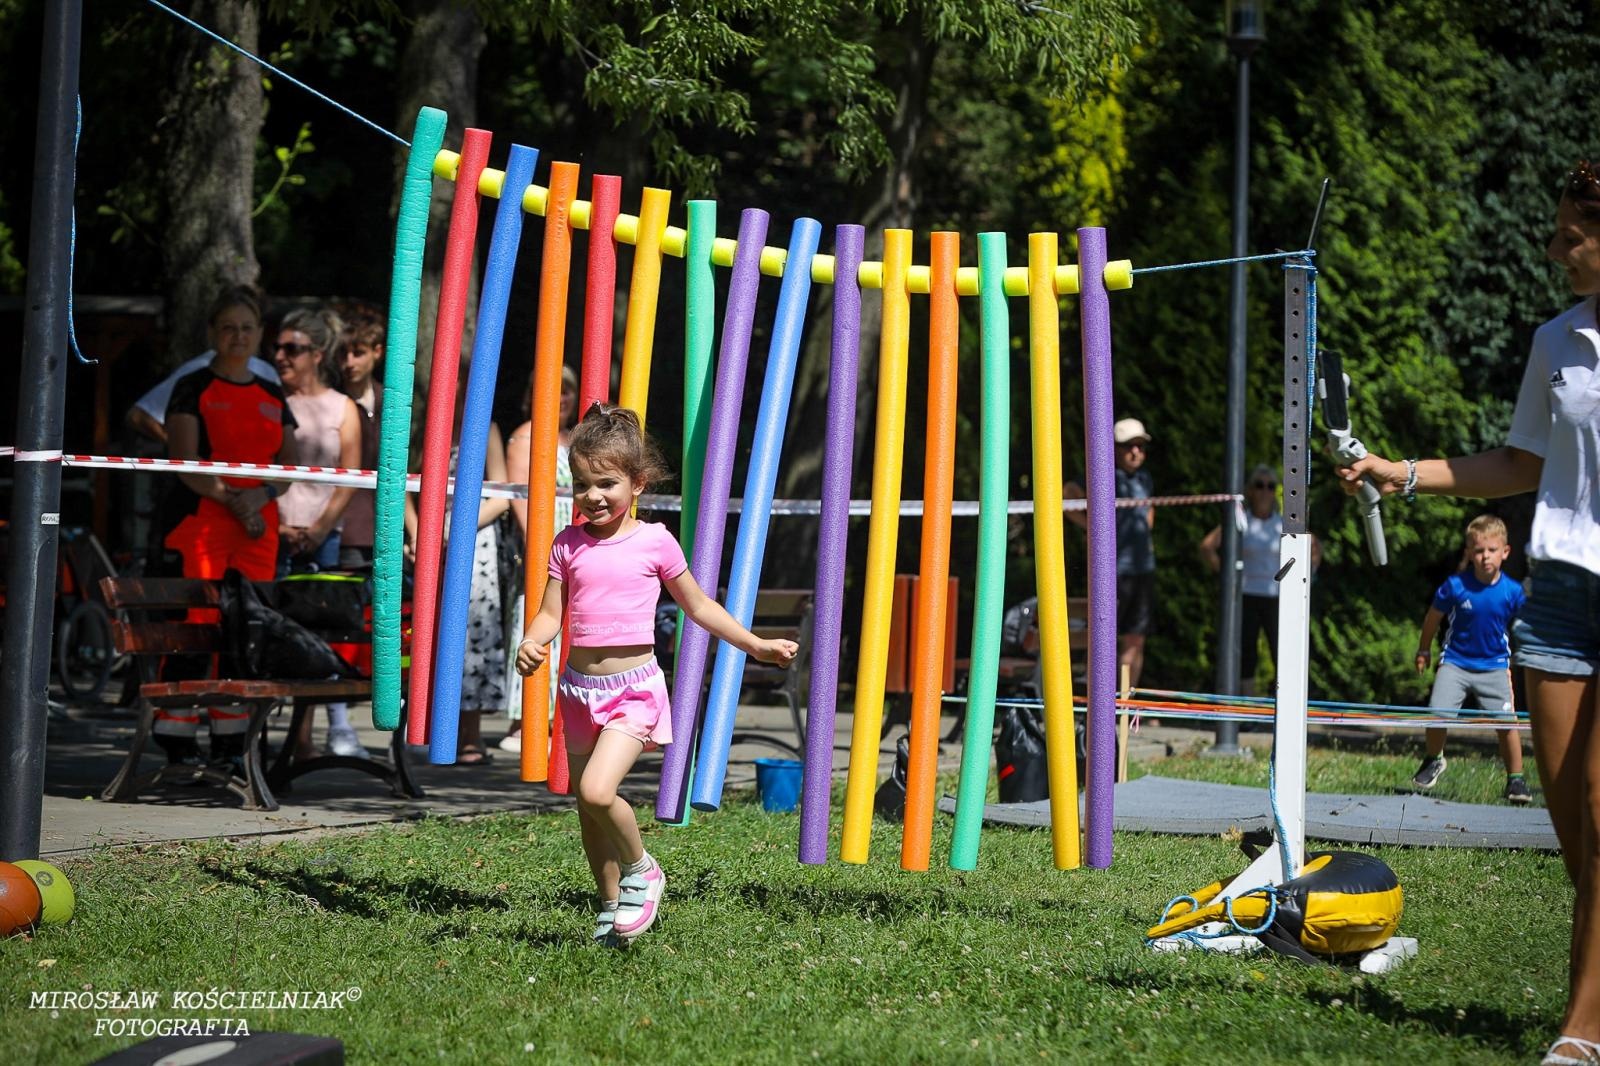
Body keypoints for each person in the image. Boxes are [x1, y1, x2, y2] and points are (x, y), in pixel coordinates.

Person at [1338, 161, 1600, 1066]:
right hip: (1561, 596)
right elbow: (1518, 462)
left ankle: (1582, 1030)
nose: (1555, 247)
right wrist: (1398, 472)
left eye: (1572, 233)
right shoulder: (1557, 339)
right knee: (1571, 823)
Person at [515, 404, 797, 944]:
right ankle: (609, 901)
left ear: (638, 483)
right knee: (586, 808)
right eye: (581, 484)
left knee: (599, 792)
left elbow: (699, 607)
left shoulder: (655, 541)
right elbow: (552, 613)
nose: (593, 496)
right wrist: (532, 642)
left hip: (633, 692)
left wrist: (755, 645)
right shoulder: (566, 544)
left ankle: (642, 870)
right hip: (577, 691)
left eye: (607, 483)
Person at [156, 284, 297, 767]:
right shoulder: (192, 386)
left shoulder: (272, 391)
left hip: (260, 526)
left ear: (259, 334)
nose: (238, 336)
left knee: (249, 629)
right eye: (228, 327)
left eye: (247, 328)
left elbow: (290, 463)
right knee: (197, 628)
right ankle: (176, 740)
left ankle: (234, 743)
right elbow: (184, 461)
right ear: (213, 332)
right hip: (203, 521)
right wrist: (236, 502)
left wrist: (262, 496)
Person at [273, 306, 364, 760]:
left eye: (292, 349)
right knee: (272, 630)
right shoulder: (270, 399)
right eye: (278, 348)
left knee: (317, 633)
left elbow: (350, 476)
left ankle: (309, 733)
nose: (281, 356)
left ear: (317, 353)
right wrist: (279, 524)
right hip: (269, 531)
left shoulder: (342, 407)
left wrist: (319, 528)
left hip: (323, 535)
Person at [403, 402, 511, 766]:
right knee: (430, 630)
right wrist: (419, 532)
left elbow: (502, 495)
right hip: (431, 539)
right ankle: (426, 726)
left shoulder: (487, 426)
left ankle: (470, 733)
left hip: (476, 539)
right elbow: (404, 482)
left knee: (476, 636)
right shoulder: (424, 424)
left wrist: (458, 525)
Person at [1407, 515, 1529, 803]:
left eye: (1492, 550)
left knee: (1507, 724)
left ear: (1505, 552)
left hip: (1495, 666)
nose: (1485, 556)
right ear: (1469, 553)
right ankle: (1434, 759)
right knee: (1437, 713)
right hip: (1456, 663)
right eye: (1478, 550)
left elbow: (1527, 627)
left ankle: (1516, 780)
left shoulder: (1513, 591)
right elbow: (1432, 619)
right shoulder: (1455, 586)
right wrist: (1424, 650)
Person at [501, 365, 580, 754]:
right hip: (546, 554)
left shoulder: (572, 440)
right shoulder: (525, 437)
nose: (561, 397)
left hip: (574, 553)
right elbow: (520, 501)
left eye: (568, 390)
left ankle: (554, 721)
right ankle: (524, 720)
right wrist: (547, 553)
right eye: (552, 389)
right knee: (533, 627)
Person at [1199, 464, 1322, 696]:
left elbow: (1314, 547)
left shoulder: (1283, 523)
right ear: (1251, 490)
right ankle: (1247, 707)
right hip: (1246, 594)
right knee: (1246, 653)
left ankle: (1282, 703)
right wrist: (1226, 577)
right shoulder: (1241, 521)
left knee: (1282, 651)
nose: (1265, 491)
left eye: (1270, 486)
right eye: (1259, 485)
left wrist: (1307, 579)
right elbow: (1207, 546)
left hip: (1278, 596)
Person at [1066, 416, 1155, 690]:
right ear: (1115, 448)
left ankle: (1124, 707)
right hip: (1112, 571)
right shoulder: (1102, 476)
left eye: (1140, 446)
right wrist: (1092, 528)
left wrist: (1146, 532)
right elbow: (1068, 495)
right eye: (1129, 446)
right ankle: (1101, 703)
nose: (1136, 452)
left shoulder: (1144, 478)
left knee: (1135, 639)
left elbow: (1150, 510)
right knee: (1103, 639)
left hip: (1143, 569)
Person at [335, 302, 385, 569]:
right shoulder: (331, 402)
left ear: (378, 352)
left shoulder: (392, 402)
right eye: (343, 353)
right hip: (344, 531)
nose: (349, 362)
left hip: (387, 529)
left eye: (358, 353)